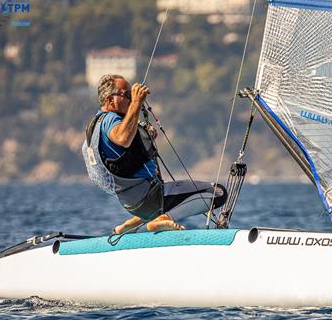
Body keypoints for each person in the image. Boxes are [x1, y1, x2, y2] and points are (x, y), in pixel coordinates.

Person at [83, 74, 227, 233]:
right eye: (128, 95)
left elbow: (123, 147)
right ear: (110, 100)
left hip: (133, 203)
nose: (132, 98)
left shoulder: (96, 125)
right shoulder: (111, 119)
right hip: (151, 196)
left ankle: (132, 224)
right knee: (218, 192)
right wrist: (137, 102)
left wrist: (143, 133)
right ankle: (162, 219)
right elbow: (122, 138)